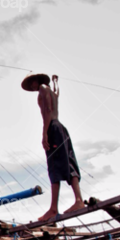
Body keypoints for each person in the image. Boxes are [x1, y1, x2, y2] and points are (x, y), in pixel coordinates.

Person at [34, 75, 84, 221]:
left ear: (38, 82)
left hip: (52, 128)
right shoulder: (51, 91)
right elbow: (57, 94)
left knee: (54, 166)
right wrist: (56, 82)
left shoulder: (42, 89)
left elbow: (47, 110)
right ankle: (79, 200)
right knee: (69, 162)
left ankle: (53, 208)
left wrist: (44, 134)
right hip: (61, 127)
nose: (32, 87)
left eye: (32, 83)